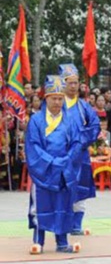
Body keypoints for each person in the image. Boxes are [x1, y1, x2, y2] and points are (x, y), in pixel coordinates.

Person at [26, 75, 82, 254]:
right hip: (44, 171)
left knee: (63, 205)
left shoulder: (70, 120)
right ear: (46, 99)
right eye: (54, 98)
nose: (57, 102)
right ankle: (38, 242)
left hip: (64, 171)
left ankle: (62, 242)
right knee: (41, 205)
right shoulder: (36, 120)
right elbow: (33, 146)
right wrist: (52, 162)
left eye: (60, 98)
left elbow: (76, 143)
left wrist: (66, 161)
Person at [59, 64, 100, 236]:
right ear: (63, 84)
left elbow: (95, 125)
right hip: (60, 155)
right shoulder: (56, 103)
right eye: (70, 83)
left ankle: (76, 225)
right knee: (60, 189)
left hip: (80, 155)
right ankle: (61, 224)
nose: (74, 86)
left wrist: (80, 141)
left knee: (80, 190)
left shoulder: (84, 106)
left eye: (76, 83)